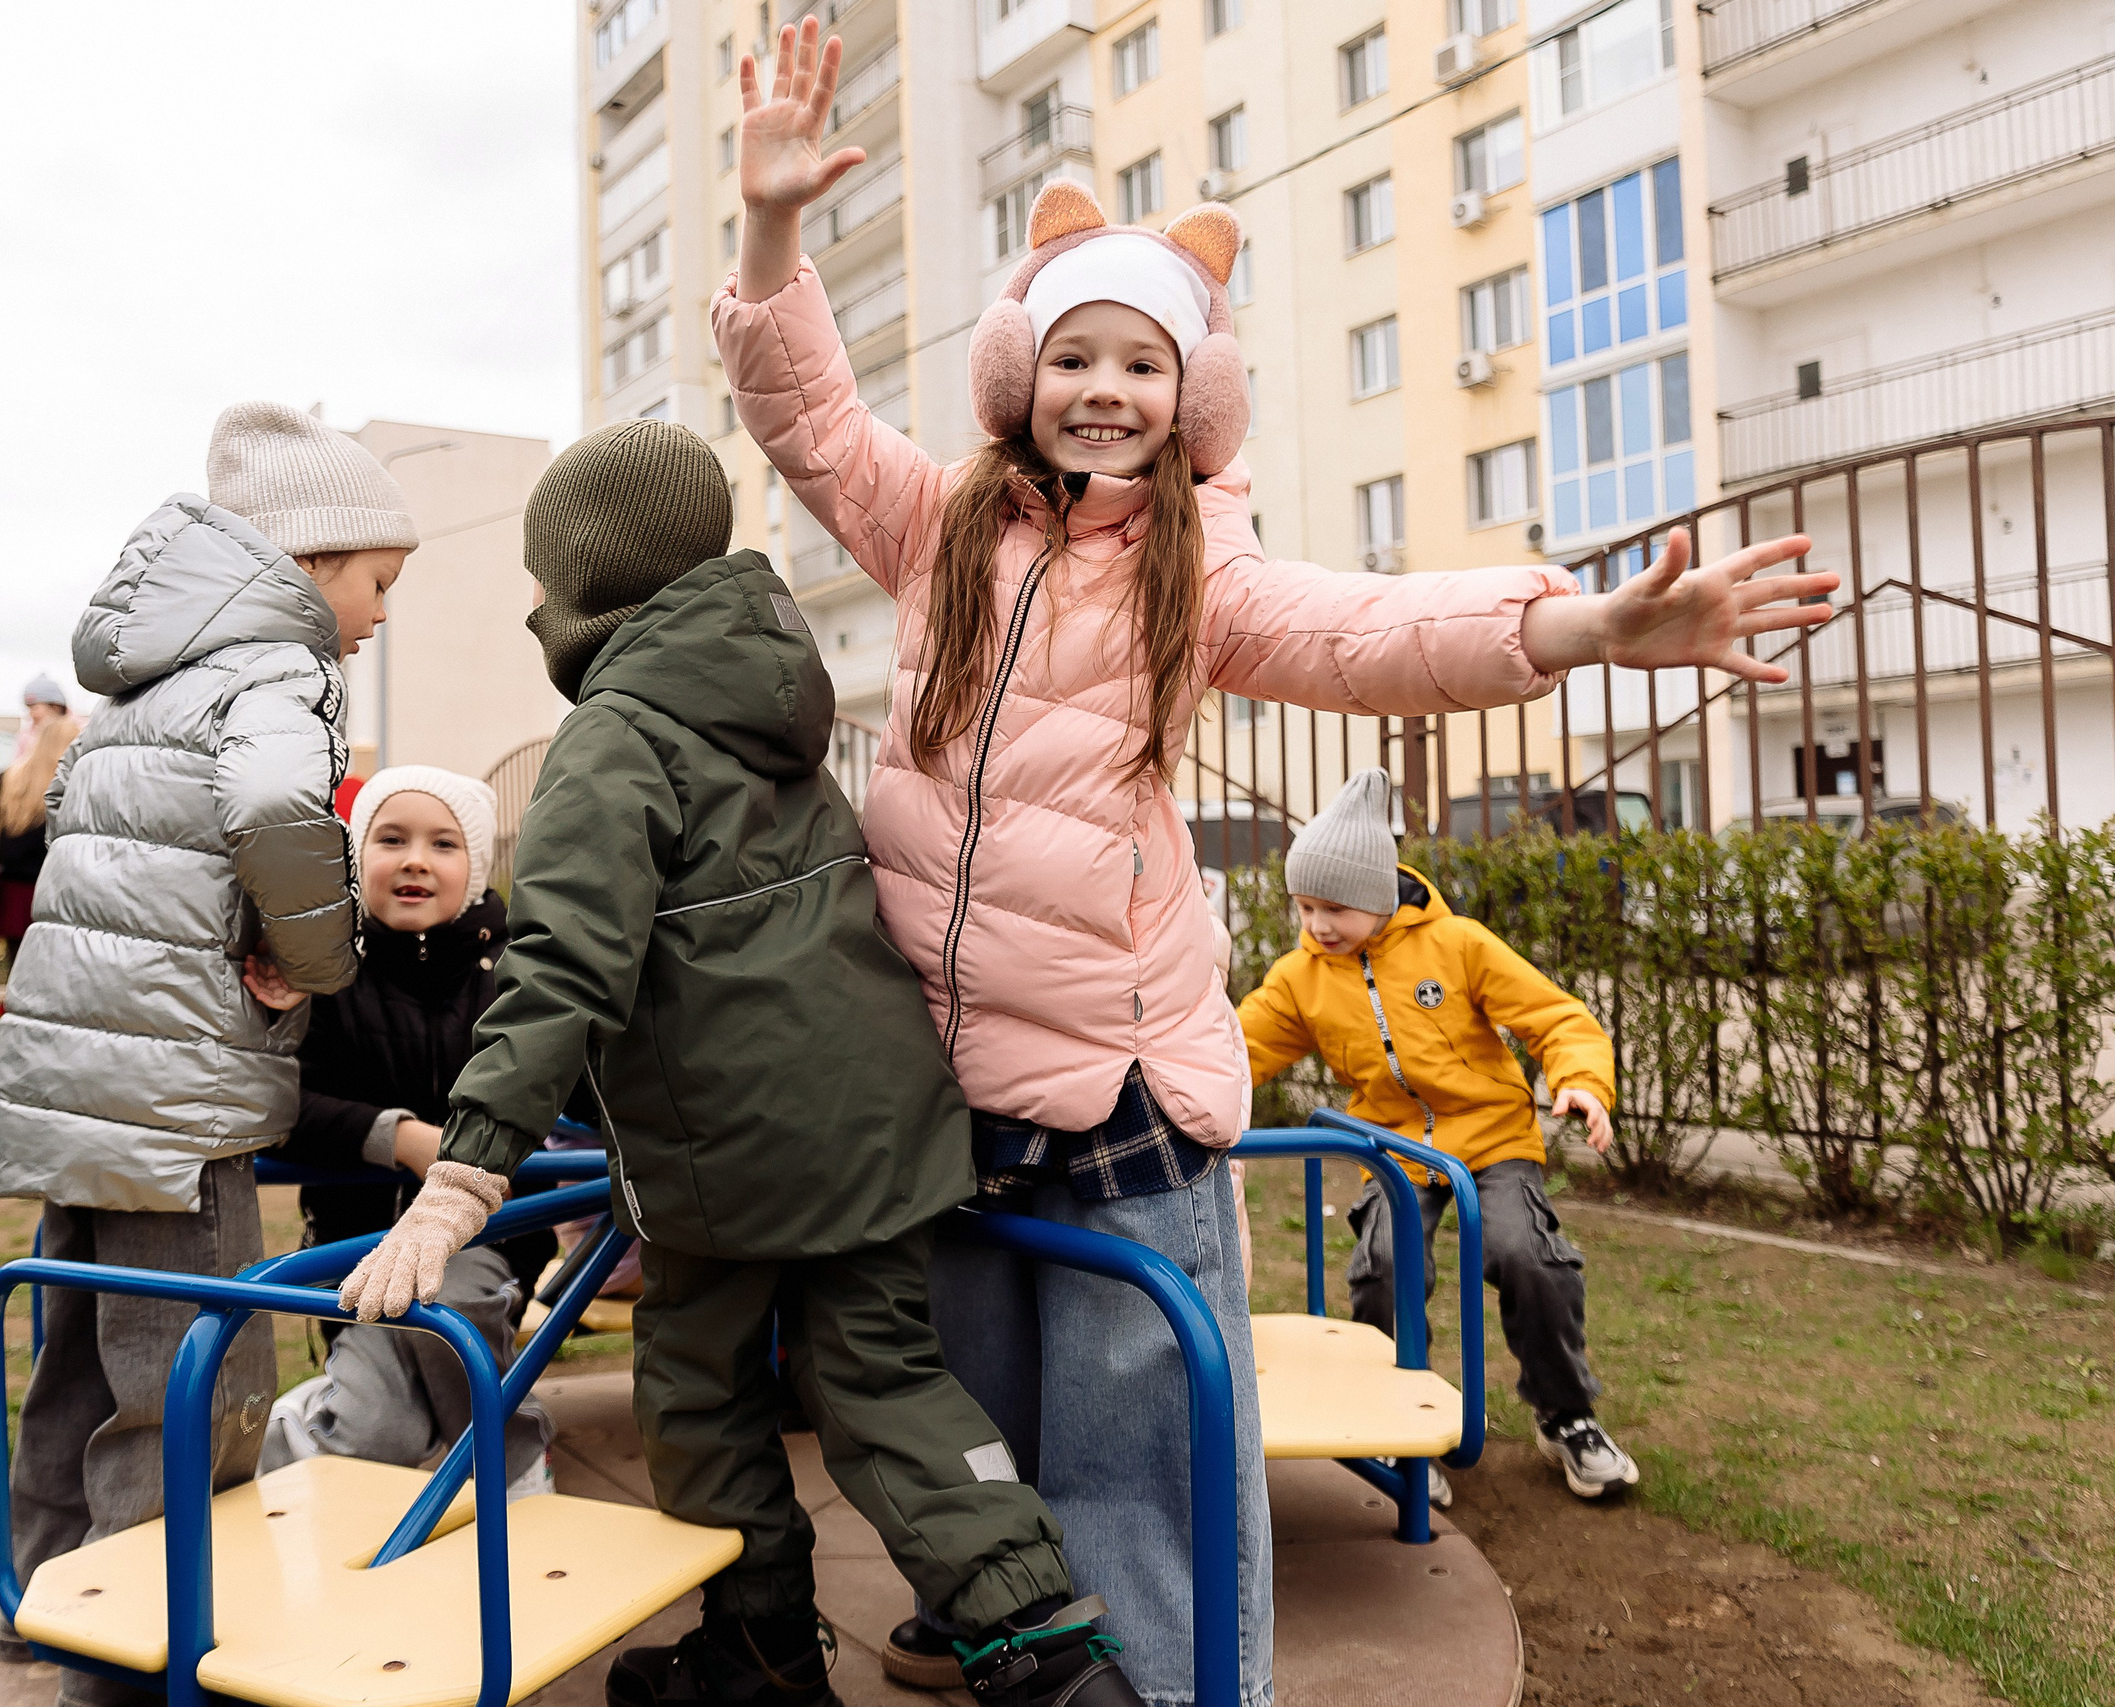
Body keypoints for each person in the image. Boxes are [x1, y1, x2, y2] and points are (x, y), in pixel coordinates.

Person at [713, 23, 1834, 1705]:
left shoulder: (1197, 570)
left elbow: (1373, 630)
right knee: (981, 1439)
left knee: (1138, 1455)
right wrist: (768, 226)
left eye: (1144, 363)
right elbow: (802, 412)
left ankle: (1166, 1683)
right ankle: (1012, 1637)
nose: (1106, 387)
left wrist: (1593, 624)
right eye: (1076, 353)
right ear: (1023, 372)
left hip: (1116, 1091)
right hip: (947, 1088)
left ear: (1193, 400)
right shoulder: (939, 531)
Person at [341, 420, 1140, 1707]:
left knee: (699, 1393)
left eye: (542, 575)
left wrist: (465, 1175)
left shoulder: (614, 737)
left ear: (594, 579)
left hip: (735, 1159)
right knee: (889, 1387)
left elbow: (560, 969)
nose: (534, 600)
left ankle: (760, 1649)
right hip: (882, 1127)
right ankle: (1048, 1647)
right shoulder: (769, 706)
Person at [0, 401, 410, 1705]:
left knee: (73, 1362)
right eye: (379, 582)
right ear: (312, 564)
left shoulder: (140, 681)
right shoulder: (278, 670)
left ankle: (48, 1599)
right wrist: (320, 952)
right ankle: (144, 1651)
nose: (382, 611)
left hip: (78, 1084)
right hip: (178, 1100)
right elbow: (280, 810)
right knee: (188, 1373)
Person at [1240, 769, 1636, 1503]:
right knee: (1387, 1264)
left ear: (1382, 894)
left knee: (1527, 1254)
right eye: (1305, 906)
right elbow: (1239, 1047)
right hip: (1391, 1147)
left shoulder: (1457, 945)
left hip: (1492, 1136)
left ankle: (1567, 1413)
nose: (1319, 923)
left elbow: (1558, 1018)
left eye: (1336, 906)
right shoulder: (1301, 976)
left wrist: (1580, 1077)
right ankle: (1393, 1431)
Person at [250, 765, 557, 1492]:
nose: (416, 858)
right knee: (378, 1431)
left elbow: (549, 1085)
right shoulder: (328, 977)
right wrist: (397, 1136)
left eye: (443, 844)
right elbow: (284, 1105)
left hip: (482, 1234)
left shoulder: (509, 978)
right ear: (360, 864)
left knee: (448, 1301)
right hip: (355, 1245)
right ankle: (300, 1431)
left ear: (474, 869)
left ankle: (512, 1470)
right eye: (391, 838)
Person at [0, 704, 81, 956]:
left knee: (17, 963)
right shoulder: (68, 783)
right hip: (52, 889)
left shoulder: (11, 777)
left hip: (12, 890)